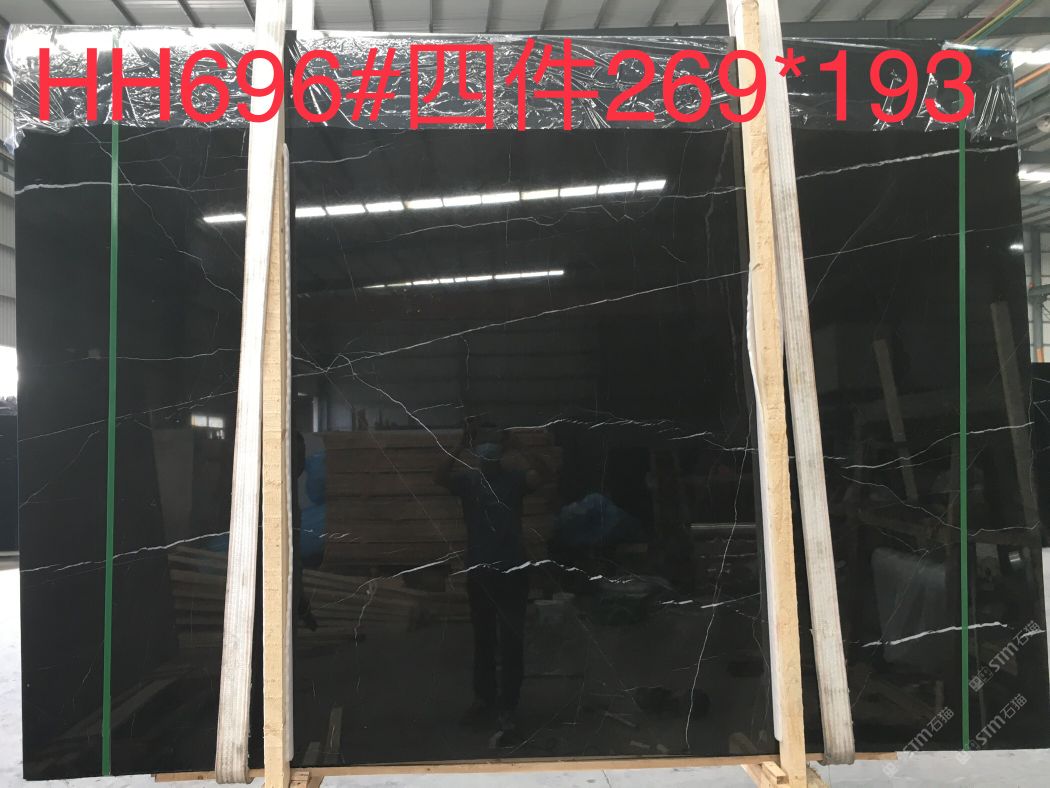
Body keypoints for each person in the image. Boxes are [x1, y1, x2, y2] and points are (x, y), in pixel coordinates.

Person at [433, 421, 549, 736]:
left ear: (500, 451)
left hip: (512, 570)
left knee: (511, 641)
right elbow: (438, 477)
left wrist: (520, 446)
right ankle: (484, 699)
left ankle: (507, 706)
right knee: (483, 639)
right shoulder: (468, 482)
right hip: (480, 571)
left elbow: (545, 473)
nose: (487, 450)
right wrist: (458, 445)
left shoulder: (515, 480)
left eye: (492, 443)